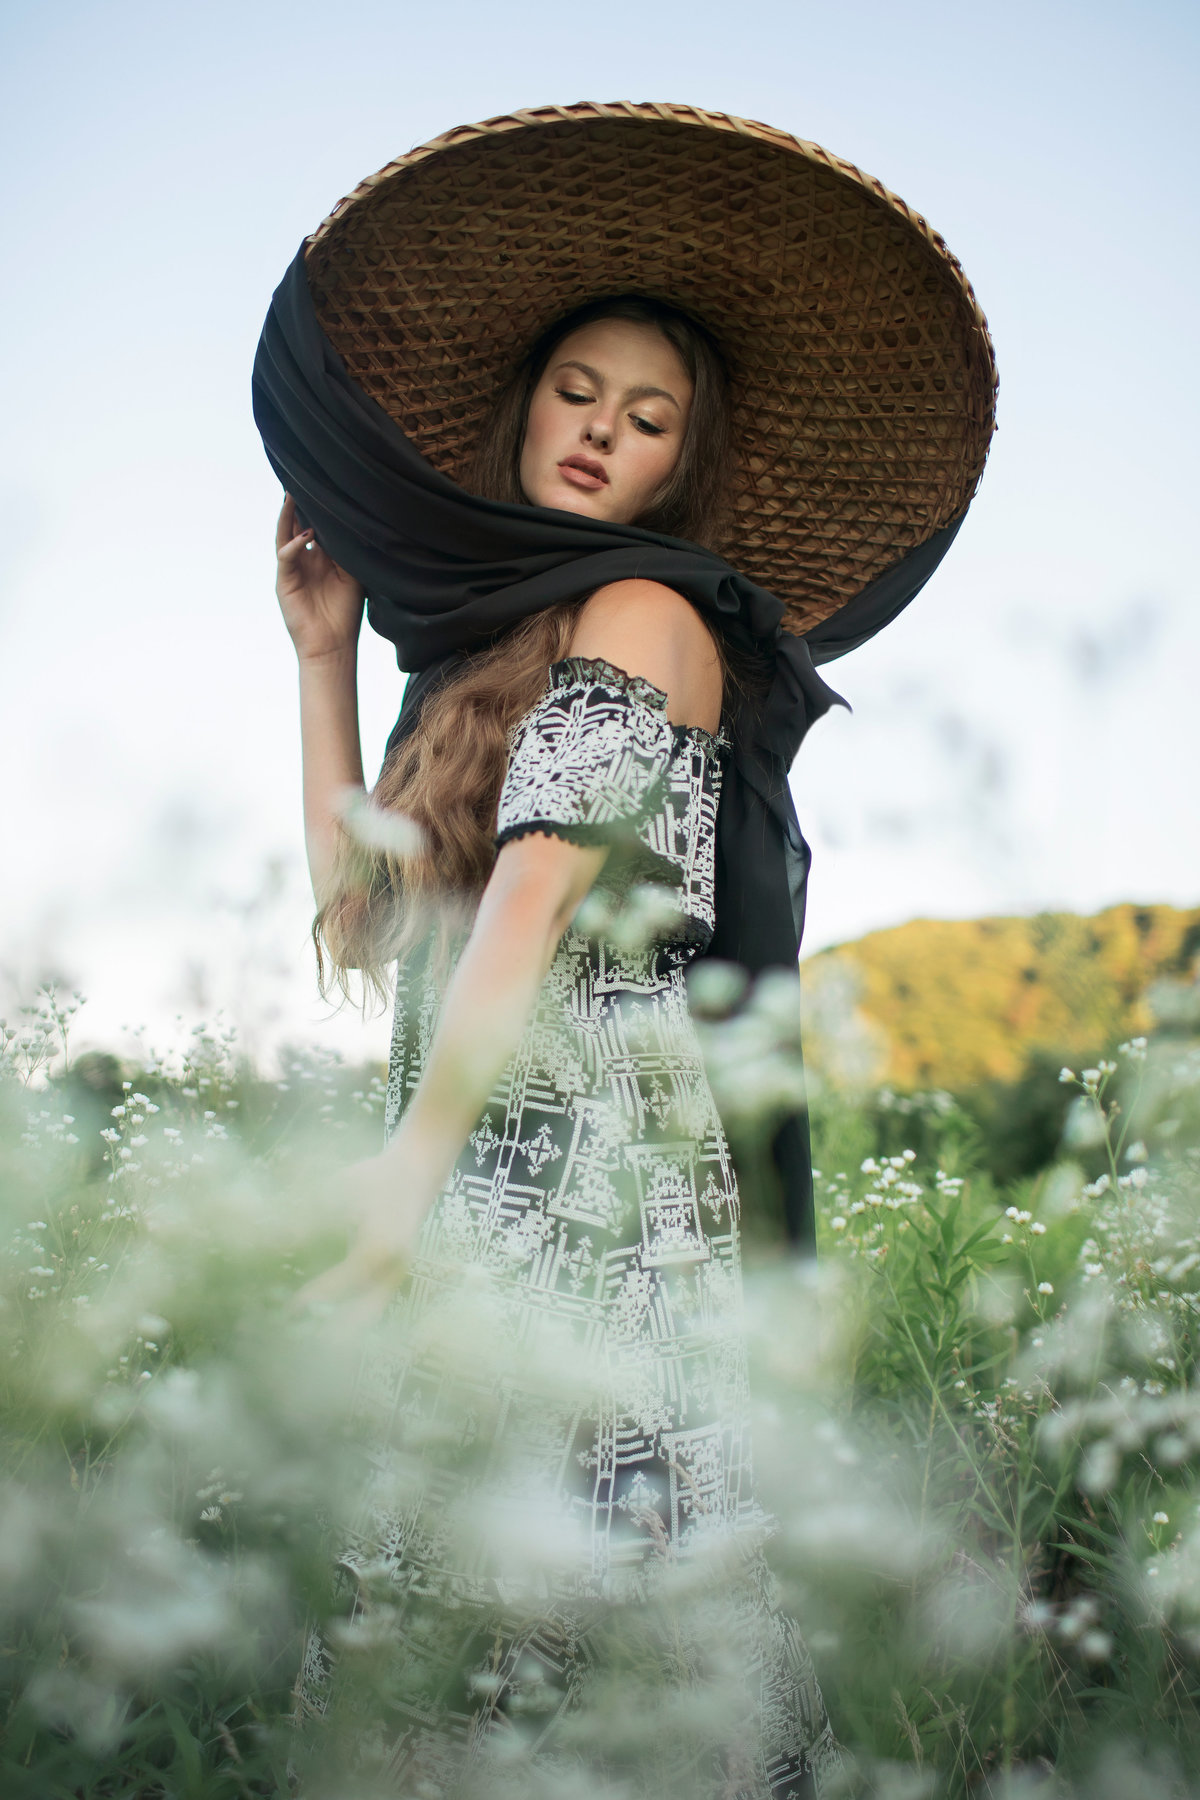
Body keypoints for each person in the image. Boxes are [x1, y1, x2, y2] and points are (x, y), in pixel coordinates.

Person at [254, 101, 997, 1797]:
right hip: (458, 1136)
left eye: (646, 418)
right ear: (524, 411)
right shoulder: (479, 668)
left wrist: (396, 1198)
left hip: (594, 1176)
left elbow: (528, 912)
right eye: (577, 394)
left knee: (605, 1598)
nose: (601, 432)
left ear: (682, 464)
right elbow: (378, 931)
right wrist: (323, 659)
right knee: (448, 1611)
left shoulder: (653, 620)